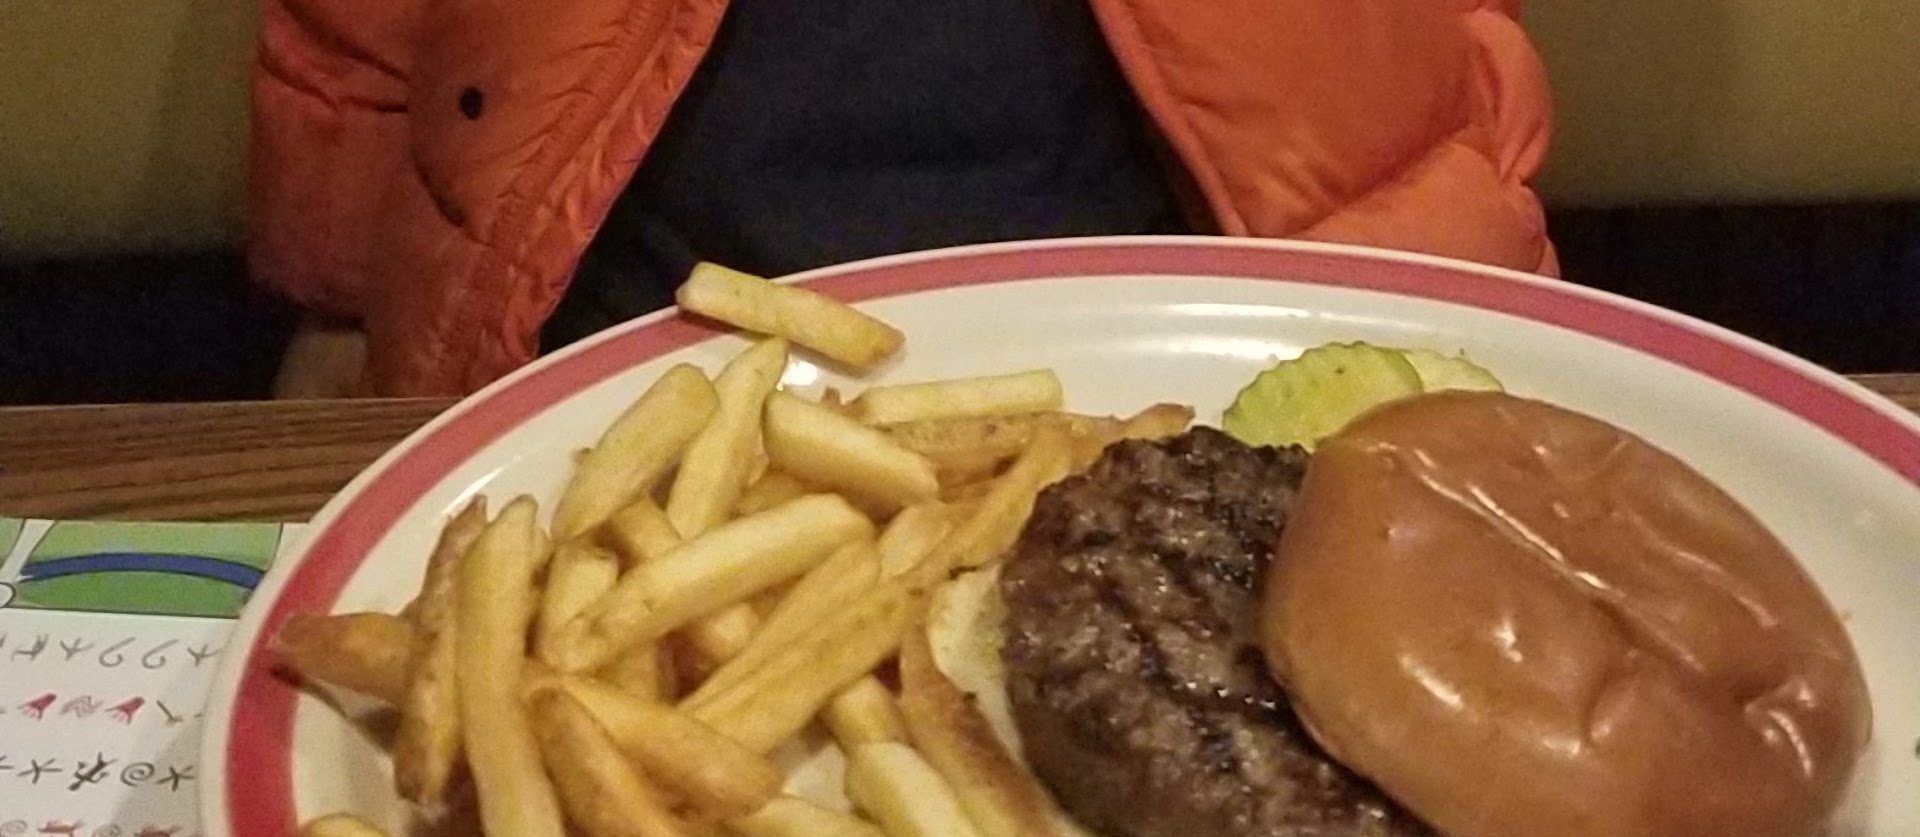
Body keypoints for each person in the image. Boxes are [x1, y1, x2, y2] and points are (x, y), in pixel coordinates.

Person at [250, 0, 1555, 399]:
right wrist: (334, 310)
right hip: (627, 402)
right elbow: (364, 45)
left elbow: (1437, 87)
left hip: (1189, 406)